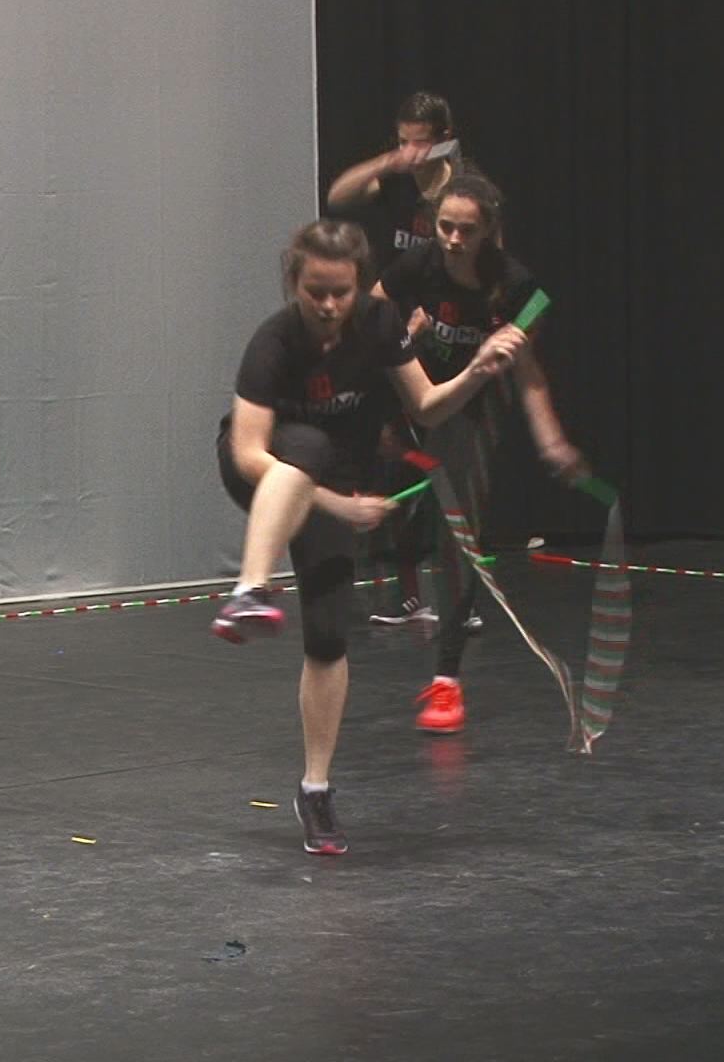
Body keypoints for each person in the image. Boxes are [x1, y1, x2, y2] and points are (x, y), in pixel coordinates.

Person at [209, 218, 525, 855]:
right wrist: (337, 505)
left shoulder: (380, 324)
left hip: (333, 481)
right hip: (266, 471)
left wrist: (477, 370)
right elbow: (248, 453)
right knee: (304, 447)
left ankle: (316, 789)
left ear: (359, 286)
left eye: (341, 292)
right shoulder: (273, 343)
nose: (329, 306)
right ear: (293, 283)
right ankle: (250, 588)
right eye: (315, 293)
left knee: (329, 636)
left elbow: (427, 406)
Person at [371, 173, 585, 736]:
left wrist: (550, 437)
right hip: (414, 388)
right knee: (393, 507)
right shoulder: (418, 264)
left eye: (466, 230)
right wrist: (404, 334)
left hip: (470, 407)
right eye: (445, 226)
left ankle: (447, 679)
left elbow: (528, 372)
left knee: (458, 533)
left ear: (489, 230)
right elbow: (369, 313)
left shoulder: (519, 287)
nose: (453, 239)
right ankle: (407, 595)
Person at [325, 91, 462, 275]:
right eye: (403, 142)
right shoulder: (396, 179)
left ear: (444, 139)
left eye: (420, 143)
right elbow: (336, 198)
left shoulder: (465, 184)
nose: (409, 152)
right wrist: (387, 162)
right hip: (394, 287)